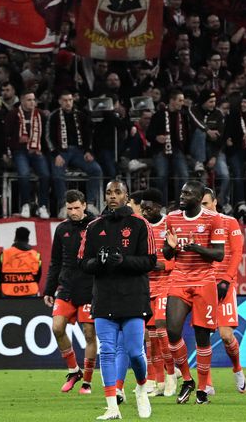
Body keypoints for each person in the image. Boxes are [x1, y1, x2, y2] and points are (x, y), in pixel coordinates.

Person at [79, 179, 156, 421]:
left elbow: (150, 261)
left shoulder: (140, 225)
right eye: (109, 192)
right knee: (108, 352)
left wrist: (123, 260)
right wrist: (99, 262)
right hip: (104, 298)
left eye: (118, 192)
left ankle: (142, 387)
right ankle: (112, 407)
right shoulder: (93, 227)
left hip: (133, 297)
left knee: (134, 352)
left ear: (126, 196)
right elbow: (83, 262)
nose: (113, 196)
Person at [162, 180, 226, 405]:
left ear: (199, 199)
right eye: (182, 192)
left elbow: (218, 255)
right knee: (172, 331)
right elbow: (167, 254)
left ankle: (202, 388)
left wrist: (195, 248)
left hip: (204, 281)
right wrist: (170, 246)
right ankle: (187, 379)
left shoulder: (213, 219)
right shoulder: (172, 218)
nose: (183, 196)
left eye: (188, 193)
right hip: (179, 279)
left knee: (202, 337)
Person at [43, 189, 98, 394]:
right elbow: (55, 261)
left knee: (89, 333)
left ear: (84, 205)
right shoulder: (61, 229)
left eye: (76, 208)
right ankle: (74, 371)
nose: (73, 212)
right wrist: (49, 288)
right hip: (66, 287)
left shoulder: (96, 226)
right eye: (69, 209)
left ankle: (88, 381)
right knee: (57, 327)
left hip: (89, 287)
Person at [129, 189, 175, 397]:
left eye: (149, 208)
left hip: (166, 284)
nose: (145, 212)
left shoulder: (169, 224)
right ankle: (156, 381)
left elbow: (174, 260)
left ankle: (171, 376)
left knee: (161, 330)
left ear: (159, 207)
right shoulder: (140, 226)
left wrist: (153, 264)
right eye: (143, 208)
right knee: (149, 338)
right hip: (144, 286)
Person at [202, 187, 246, 393]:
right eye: (200, 204)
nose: (204, 208)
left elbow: (237, 253)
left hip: (224, 285)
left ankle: (237, 369)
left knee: (226, 335)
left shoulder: (229, 222)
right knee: (202, 334)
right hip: (202, 284)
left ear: (215, 202)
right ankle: (207, 383)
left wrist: (227, 280)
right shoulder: (196, 224)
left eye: (206, 203)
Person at [46, 90, 104, 211]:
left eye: (70, 100)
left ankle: (90, 204)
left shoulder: (81, 115)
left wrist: (88, 151)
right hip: (61, 151)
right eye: (65, 100)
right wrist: (56, 154)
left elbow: (89, 136)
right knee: (57, 174)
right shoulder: (54, 116)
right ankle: (63, 206)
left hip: (79, 151)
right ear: (60, 102)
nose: (68, 103)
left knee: (96, 170)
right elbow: (48, 137)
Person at [0, 226, 42, 297]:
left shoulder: (5, 254)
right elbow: (38, 276)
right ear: (28, 239)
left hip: (8, 293)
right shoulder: (36, 255)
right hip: (30, 293)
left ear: (15, 238)